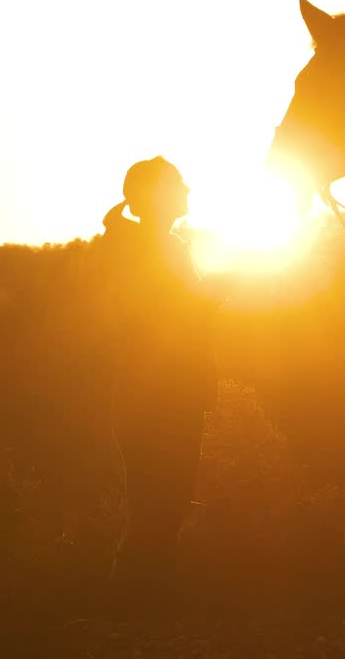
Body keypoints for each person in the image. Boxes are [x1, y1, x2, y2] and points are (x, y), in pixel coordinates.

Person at [98, 156, 221, 596]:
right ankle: (137, 596)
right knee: (162, 500)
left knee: (155, 500)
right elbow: (171, 316)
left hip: (146, 390)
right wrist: (214, 293)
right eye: (179, 184)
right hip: (163, 392)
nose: (188, 190)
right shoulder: (157, 248)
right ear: (158, 196)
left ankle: (141, 594)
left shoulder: (137, 245)